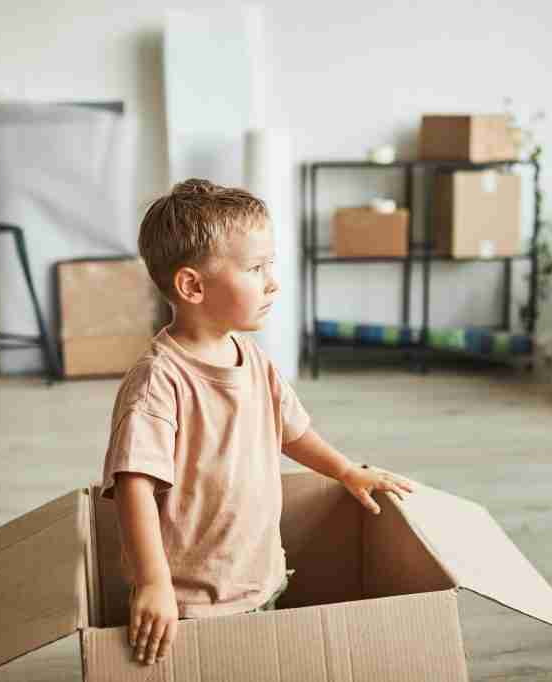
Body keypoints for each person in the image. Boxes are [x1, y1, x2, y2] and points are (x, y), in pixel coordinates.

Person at [99, 178, 415, 666]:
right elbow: (133, 485)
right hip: (191, 603)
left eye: (271, 265)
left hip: (260, 576)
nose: (273, 282)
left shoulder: (254, 360)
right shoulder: (159, 382)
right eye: (256, 268)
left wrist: (345, 469)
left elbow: (294, 432)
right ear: (192, 286)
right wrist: (153, 583)